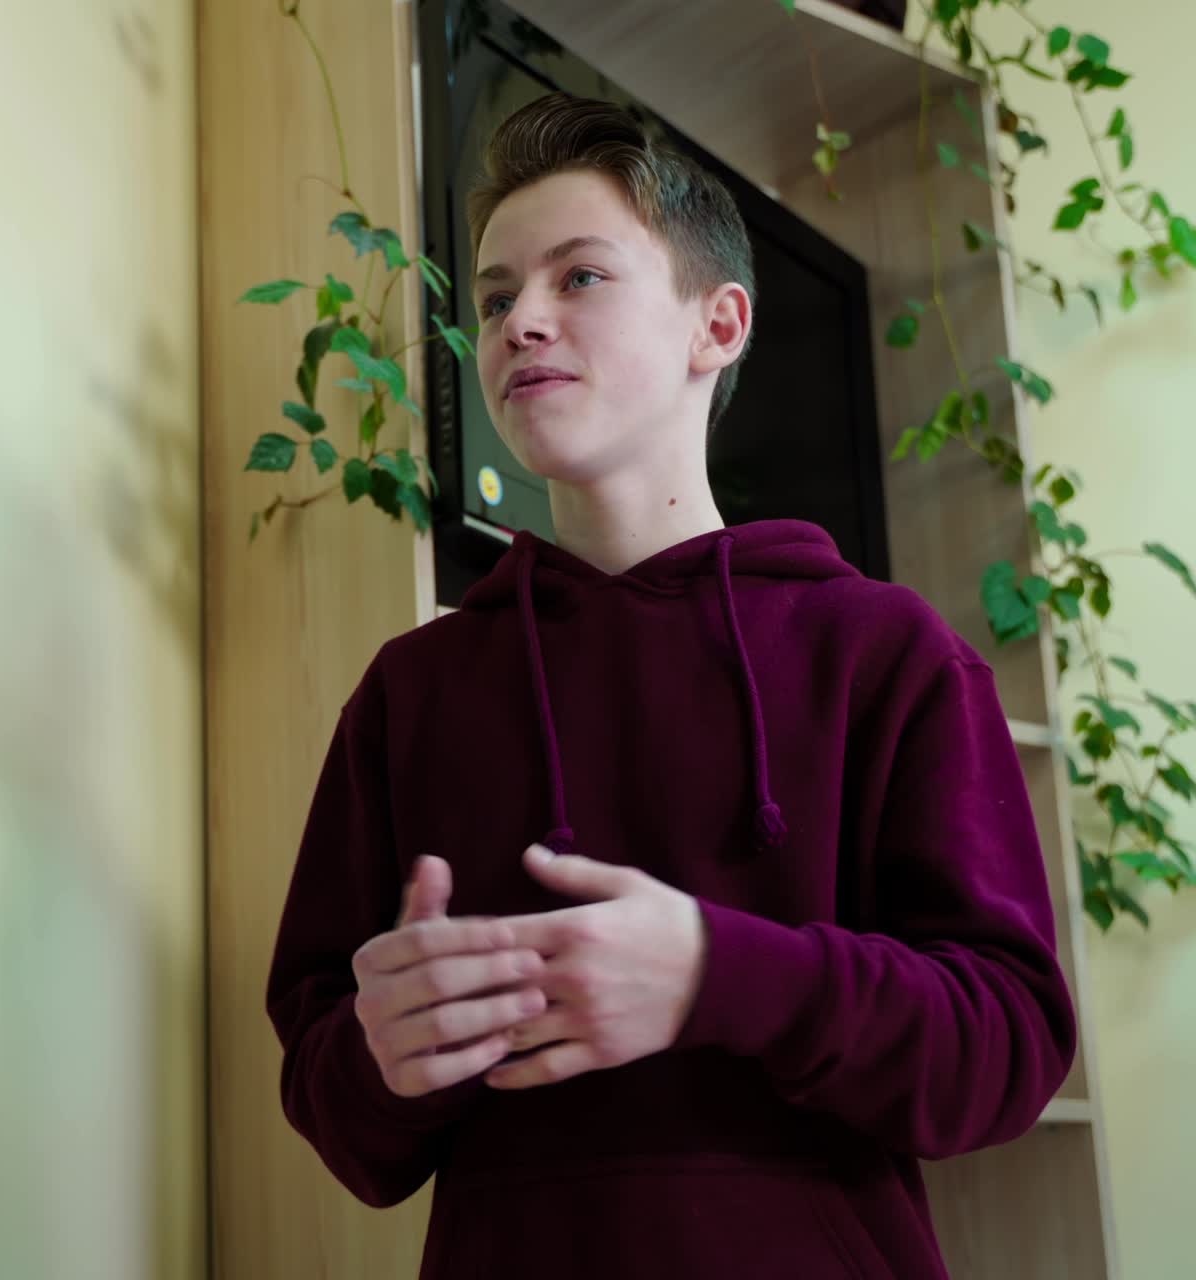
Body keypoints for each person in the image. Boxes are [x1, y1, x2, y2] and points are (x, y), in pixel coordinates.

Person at [265, 91, 1076, 1278]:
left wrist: (714, 970)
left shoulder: (885, 654)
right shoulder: (408, 692)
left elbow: (1003, 1046)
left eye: (576, 278)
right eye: (493, 299)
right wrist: (381, 1054)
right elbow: (335, 1102)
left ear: (719, 324)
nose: (518, 323)